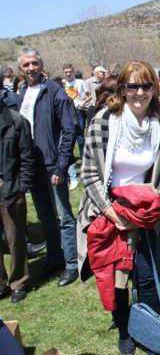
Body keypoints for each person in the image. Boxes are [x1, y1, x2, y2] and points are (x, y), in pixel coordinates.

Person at [77, 60, 160, 355]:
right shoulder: (103, 121)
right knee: (115, 279)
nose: (139, 92)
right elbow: (89, 172)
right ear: (122, 88)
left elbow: (159, 179)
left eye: (146, 85)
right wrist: (110, 211)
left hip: (143, 214)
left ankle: (145, 330)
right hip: (106, 210)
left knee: (145, 276)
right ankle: (124, 331)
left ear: (153, 89)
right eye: (132, 85)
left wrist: (141, 216)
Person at [17, 48, 79, 287]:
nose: (31, 68)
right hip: (31, 167)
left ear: (41, 65)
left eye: (34, 63)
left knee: (63, 216)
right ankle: (55, 258)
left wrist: (62, 166)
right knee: (45, 218)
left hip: (53, 166)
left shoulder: (54, 91)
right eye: (26, 65)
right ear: (21, 69)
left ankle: (72, 263)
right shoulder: (21, 92)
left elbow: (69, 129)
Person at [0, 78, 35, 303]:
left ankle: (18, 282)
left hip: (10, 189)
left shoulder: (16, 121)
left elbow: (27, 158)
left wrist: (21, 186)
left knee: (15, 239)